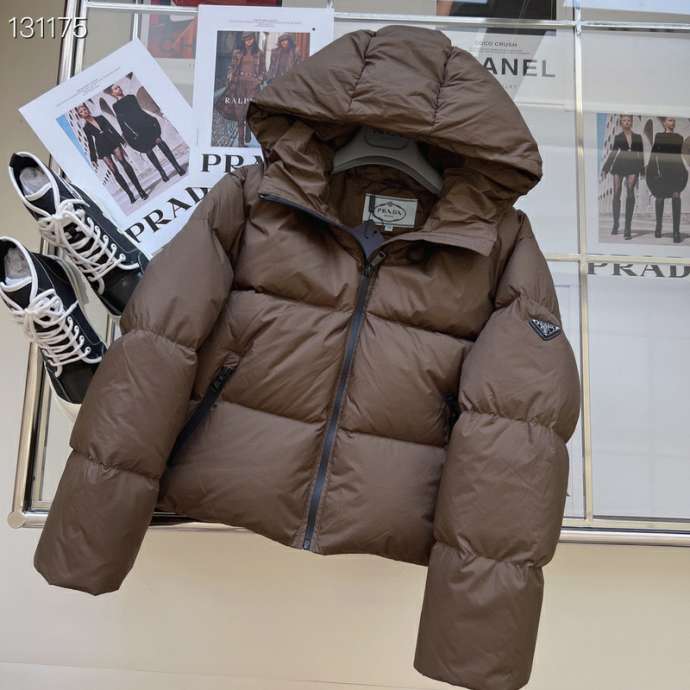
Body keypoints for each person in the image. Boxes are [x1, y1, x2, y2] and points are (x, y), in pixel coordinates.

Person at [105, 83, 185, 184]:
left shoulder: (131, 97)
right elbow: (122, 122)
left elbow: (140, 111)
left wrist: (152, 119)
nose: (119, 89)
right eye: (115, 89)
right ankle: (162, 173)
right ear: (113, 93)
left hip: (146, 125)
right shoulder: (116, 106)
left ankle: (177, 166)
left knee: (160, 142)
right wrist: (128, 134)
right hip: (137, 131)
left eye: (118, 87)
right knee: (148, 151)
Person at [77, 103, 148, 204]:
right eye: (81, 112)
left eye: (85, 109)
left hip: (112, 141)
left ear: (88, 109)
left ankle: (140, 190)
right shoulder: (86, 128)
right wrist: (93, 159)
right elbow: (90, 143)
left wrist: (121, 140)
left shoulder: (100, 118)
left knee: (125, 163)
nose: (84, 112)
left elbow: (112, 128)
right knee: (114, 171)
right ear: (80, 116)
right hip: (101, 147)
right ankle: (130, 194)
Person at [601, 114, 644, 240]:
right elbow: (614, 152)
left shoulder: (638, 137)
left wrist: (642, 169)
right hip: (619, 164)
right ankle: (616, 224)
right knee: (616, 193)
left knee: (630, 192)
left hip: (633, 165)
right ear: (621, 123)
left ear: (631, 122)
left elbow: (640, 154)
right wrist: (605, 168)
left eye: (629, 120)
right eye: (624, 120)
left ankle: (627, 227)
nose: (627, 122)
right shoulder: (618, 137)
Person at [645, 116, 688, 243]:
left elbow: (681, 155)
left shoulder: (679, 138)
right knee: (659, 197)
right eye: (670, 120)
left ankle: (676, 232)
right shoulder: (659, 136)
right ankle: (658, 226)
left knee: (676, 196)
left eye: (674, 120)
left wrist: (684, 169)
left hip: (676, 171)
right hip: (662, 171)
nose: (672, 122)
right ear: (664, 123)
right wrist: (652, 172)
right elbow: (654, 155)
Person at [219, 32, 266, 147]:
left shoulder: (259, 53)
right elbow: (231, 66)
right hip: (239, 84)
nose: (248, 41)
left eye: (250, 39)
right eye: (246, 39)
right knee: (240, 112)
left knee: (250, 110)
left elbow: (263, 70)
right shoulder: (237, 52)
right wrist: (230, 74)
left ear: (254, 40)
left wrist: (259, 80)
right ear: (243, 40)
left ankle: (248, 130)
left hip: (253, 86)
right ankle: (241, 142)